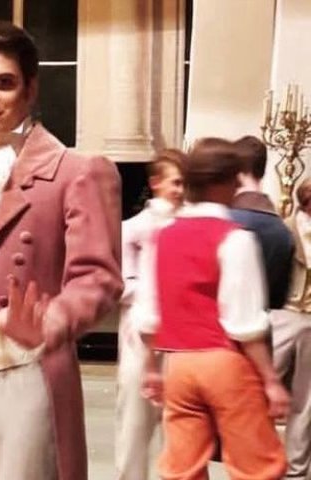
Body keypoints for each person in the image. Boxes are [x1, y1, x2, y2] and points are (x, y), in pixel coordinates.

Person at [0, 20, 123, 480]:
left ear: (31, 87)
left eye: (3, 82)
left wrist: (51, 320)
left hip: (26, 371)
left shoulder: (77, 171)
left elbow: (98, 278)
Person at [134, 137, 289, 480]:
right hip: (224, 361)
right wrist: (270, 380)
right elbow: (244, 323)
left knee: (183, 469)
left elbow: (147, 316)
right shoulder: (234, 237)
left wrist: (151, 368)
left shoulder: (162, 236)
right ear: (224, 183)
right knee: (257, 468)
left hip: (178, 364)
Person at [115, 150, 185, 480]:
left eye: (185, 183)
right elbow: (120, 286)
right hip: (138, 337)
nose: (181, 190)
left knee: (180, 427)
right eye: (176, 182)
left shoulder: (191, 226)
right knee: (134, 423)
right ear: (156, 183)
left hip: (183, 335)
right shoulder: (132, 229)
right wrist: (158, 287)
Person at [272, 177, 311, 480]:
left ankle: (296, 471)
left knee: (306, 400)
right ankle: (258, 461)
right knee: (261, 388)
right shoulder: (284, 229)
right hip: (284, 313)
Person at [230, 135, 294, 310]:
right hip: (261, 319)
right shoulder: (283, 232)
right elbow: (279, 300)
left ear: (235, 171)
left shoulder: (226, 220)